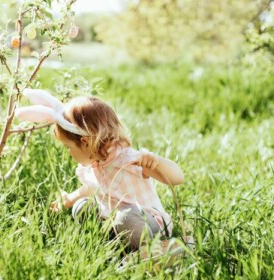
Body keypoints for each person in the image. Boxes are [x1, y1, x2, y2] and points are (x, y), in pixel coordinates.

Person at [15, 89, 184, 251]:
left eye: (68, 147)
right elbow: (91, 188)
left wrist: (158, 162)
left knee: (125, 219)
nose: (68, 152)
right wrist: (69, 199)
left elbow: (177, 178)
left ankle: (145, 248)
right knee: (81, 206)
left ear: (86, 142)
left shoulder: (129, 160)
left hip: (147, 224)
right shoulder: (94, 165)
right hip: (113, 219)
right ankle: (113, 241)